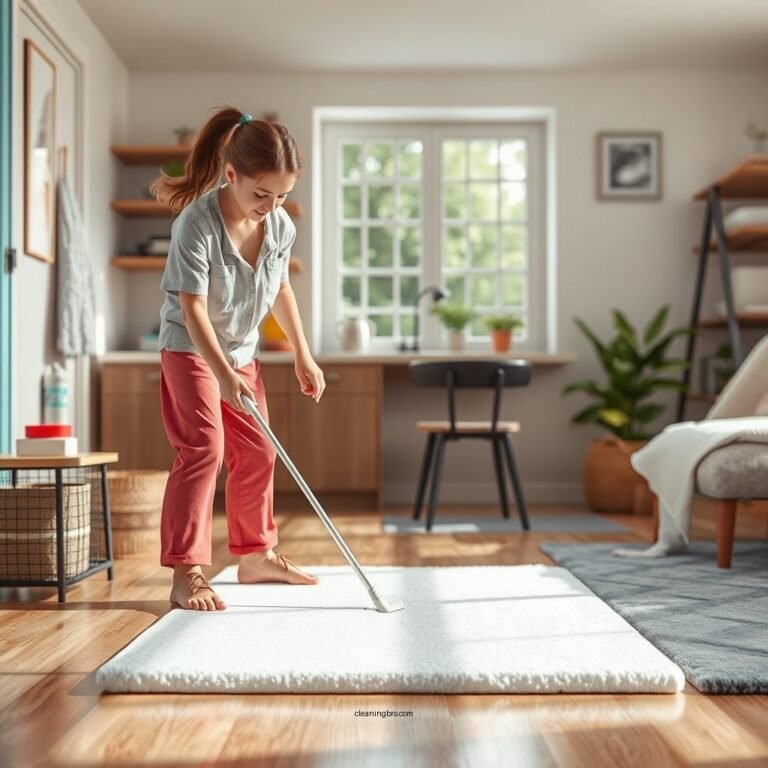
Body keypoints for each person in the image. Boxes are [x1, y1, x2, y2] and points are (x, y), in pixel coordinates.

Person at [151, 106, 325, 611]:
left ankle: (256, 556)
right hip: (191, 348)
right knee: (203, 449)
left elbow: (281, 288)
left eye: (283, 196)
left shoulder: (280, 227)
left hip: (241, 352)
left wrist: (303, 356)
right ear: (231, 175)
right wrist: (222, 373)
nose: (271, 206)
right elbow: (192, 306)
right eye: (261, 193)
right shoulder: (196, 224)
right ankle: (187, 572)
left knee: (257, 452)